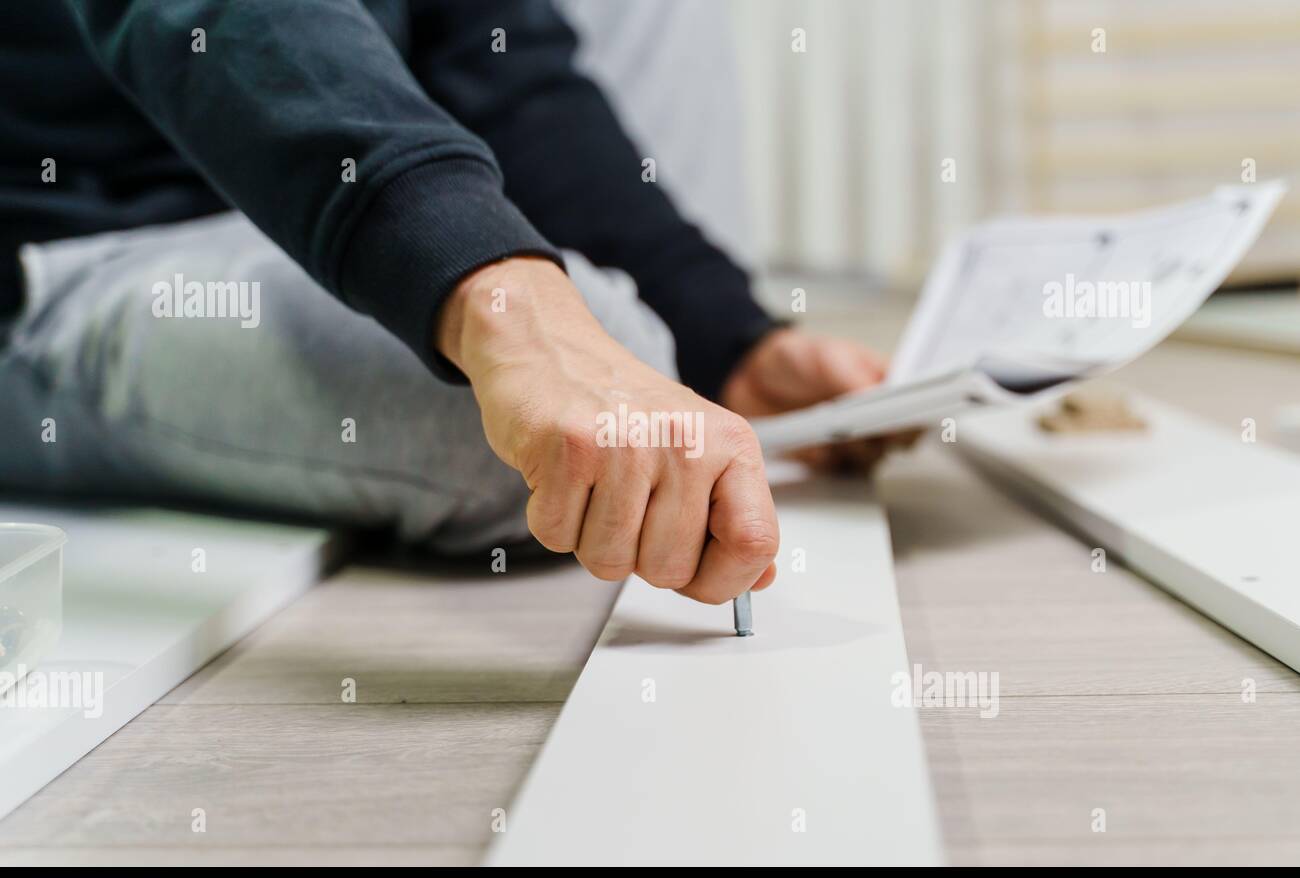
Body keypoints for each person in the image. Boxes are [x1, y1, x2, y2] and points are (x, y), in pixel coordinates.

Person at [0, 1, 887, 606]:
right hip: (65, 255)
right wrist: (501, 305)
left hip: (295, 220)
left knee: (632, 376)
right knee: (554, 433)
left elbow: (502, 66)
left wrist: (727, 337)